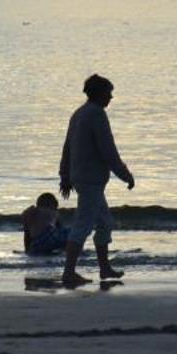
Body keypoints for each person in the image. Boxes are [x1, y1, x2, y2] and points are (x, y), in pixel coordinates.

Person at [58, 73, 134, 287]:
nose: (111, 97)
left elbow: (67, 147)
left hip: (82, 176)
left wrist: (64, 175)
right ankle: (69, 272)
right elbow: (108, 150)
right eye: (109, 93)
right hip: (90, 179)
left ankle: (104, 268)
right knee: (83, 225)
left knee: (105, 223)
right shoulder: (96, 114)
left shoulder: (79, 113)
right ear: (100, 93)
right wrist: (125, 174)